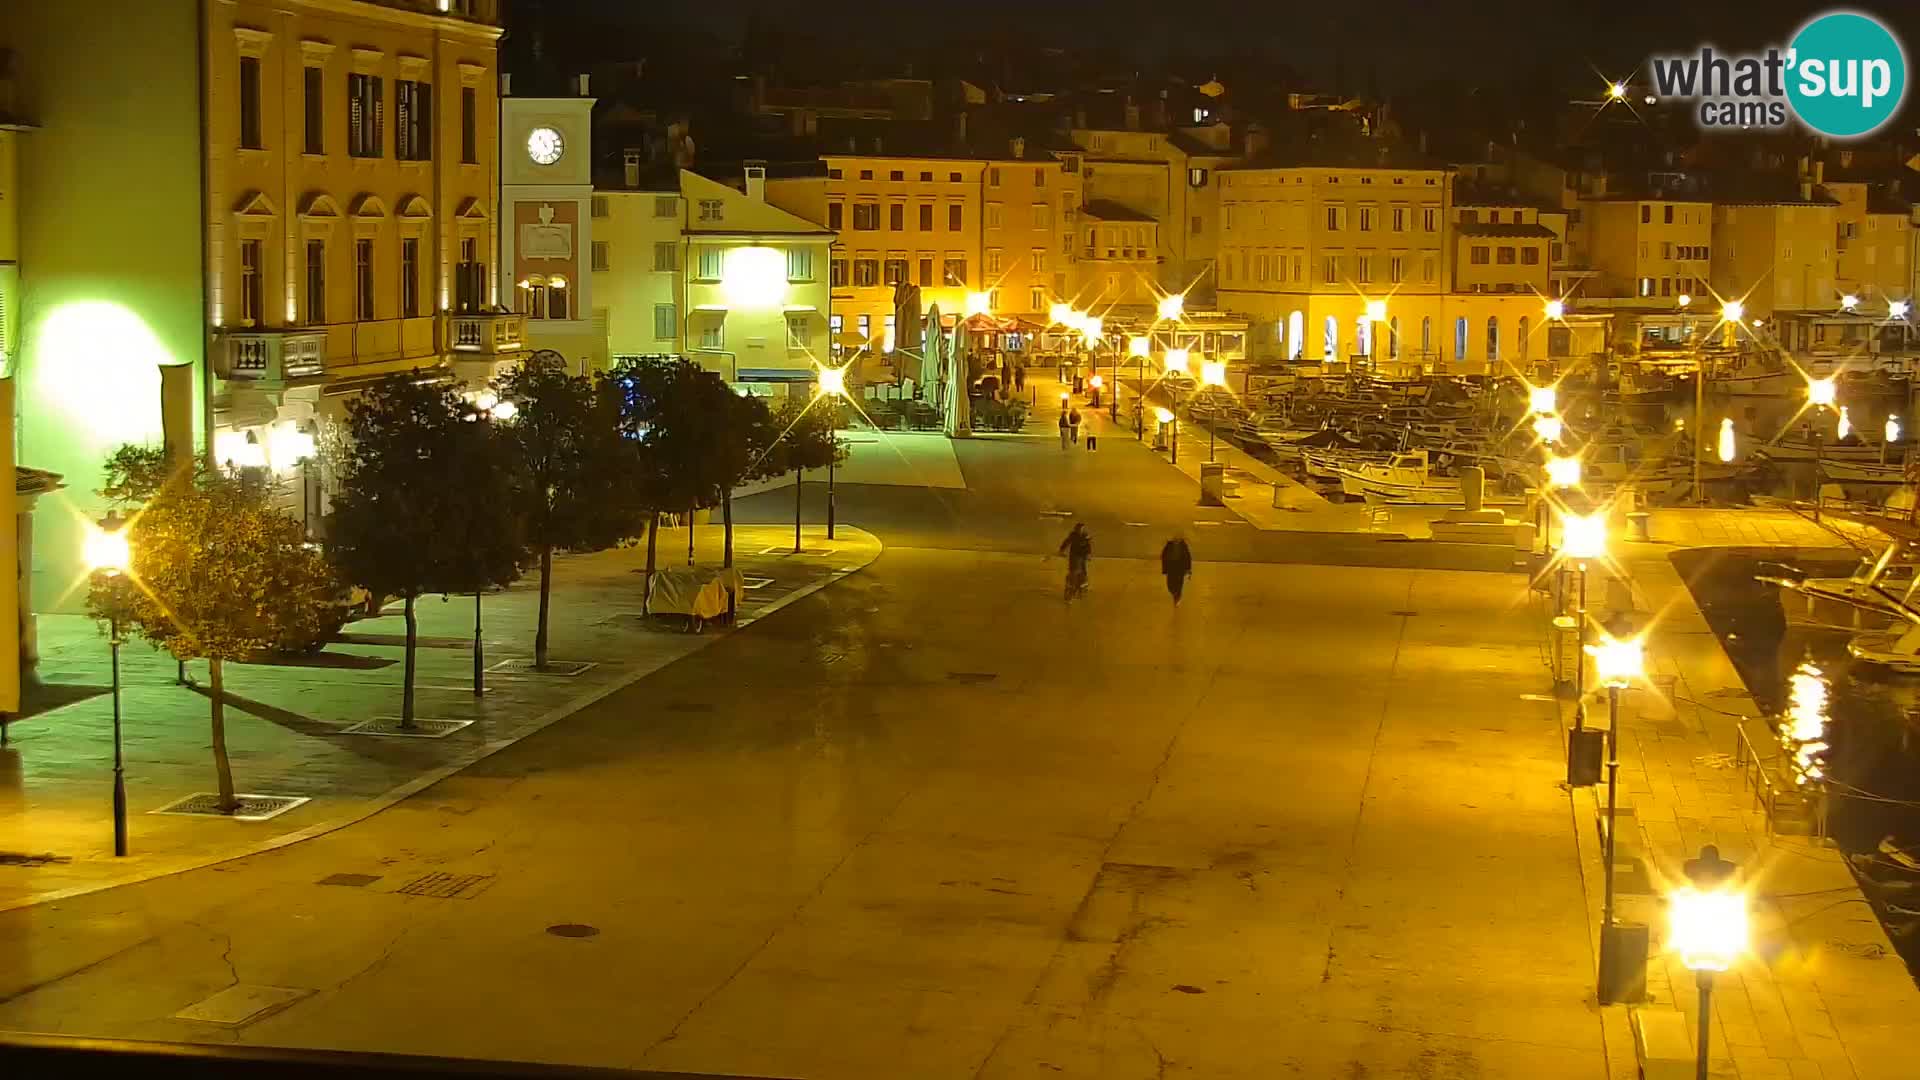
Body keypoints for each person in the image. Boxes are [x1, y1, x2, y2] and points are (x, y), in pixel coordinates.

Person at [1059, 523, 1092, 599]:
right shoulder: (1073, 535)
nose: (1080, 530)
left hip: (1083, 556)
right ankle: (1071, 586)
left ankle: (1082, 587)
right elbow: (1066, 542)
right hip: (1074, 556)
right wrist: (1062, 550)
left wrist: (1088, 555)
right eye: (1079, 529)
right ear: (1076, 529)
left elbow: (1088, 546)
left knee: (1083, 572)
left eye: (1081, 529)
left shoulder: (1085, 536)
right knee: (1073, 571)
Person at [1160, 535, 1194, 604]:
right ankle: (1175, 593)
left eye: (1178, 539)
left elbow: (1188, 558)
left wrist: (1188, 570)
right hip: (1171, 567)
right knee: (1169, 585)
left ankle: (1177, 596)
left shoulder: (1183, 546)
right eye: (1175, 539)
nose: (1176, 540)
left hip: (1180, 568)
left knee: (1178, 584)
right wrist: (1165, 568)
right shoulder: (1169, 545)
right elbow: (1164, 556)